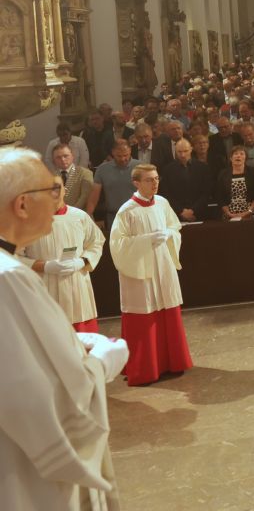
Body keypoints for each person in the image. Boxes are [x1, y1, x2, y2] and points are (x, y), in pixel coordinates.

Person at [0, 148, 127, 509]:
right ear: (22, 204)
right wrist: (101, 362)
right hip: (24, 470)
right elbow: (32, 395)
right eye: (51, 190)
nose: (59, 198)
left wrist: (68, 343)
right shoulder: (9, 279)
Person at [109, 162, 194, 386]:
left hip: (162, 266)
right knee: (144, 316)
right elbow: (117, 245)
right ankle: (145, 369)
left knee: (167, 310)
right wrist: (147, 240)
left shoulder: (162, 203)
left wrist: (168, 234)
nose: (155, 183)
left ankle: (172, 362)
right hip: (141, 272)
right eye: (149, 180)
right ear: (136, 183)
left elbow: (175, 227)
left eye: (156, 179)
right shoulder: (127, 210)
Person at [19, 171, 106, 332]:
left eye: (56, 188)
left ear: (64, 190)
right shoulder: (26, 221)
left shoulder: (80, 216)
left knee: (83, 339)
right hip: (44, 288)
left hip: (77, 288)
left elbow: (96, 242)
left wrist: (82, 261)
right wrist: (45, 266)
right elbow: (12, 257)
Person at [159, 137, 213, 222]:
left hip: (200, 213)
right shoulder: (167, 170)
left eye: (185, 151)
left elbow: (206, 193)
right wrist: (181, 211)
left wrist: (193, 211)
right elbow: (166, 194)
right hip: (176, 215)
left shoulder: (203, 168)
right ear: (175, 151)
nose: (182, 155)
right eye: (179, 152)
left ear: (191, 149)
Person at [95, 138, 141, 231]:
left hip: (138, 215)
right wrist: (89, 215)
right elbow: (94, 196)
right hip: (114, 217)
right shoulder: (102, 169)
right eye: (119, 156)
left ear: (130, 150)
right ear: (113, 153)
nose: (123, 159)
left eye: (125, 155)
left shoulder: (141, 167)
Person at [51, 142, 101, 216]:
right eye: (58, 157)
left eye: (65, 156)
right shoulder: (50, 177)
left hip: (80, 217)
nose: (62, 159)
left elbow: (85, 197)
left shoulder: (85, 173)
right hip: (58, 218)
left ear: (72, 156)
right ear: (53, 160)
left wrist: (69, 214)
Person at [216, 145, 254, 220]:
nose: (238, 156)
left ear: (246, 158)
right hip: (230, 214)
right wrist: (228, 213)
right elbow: (220, 197)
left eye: (242, 154)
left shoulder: (253, 173)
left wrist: (249, 211)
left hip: (251, 212)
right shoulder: (223, 174)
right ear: (231, 158)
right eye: (235, 154)